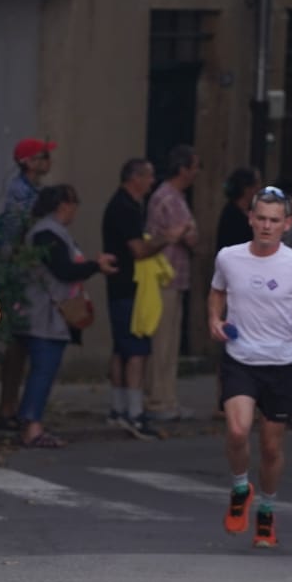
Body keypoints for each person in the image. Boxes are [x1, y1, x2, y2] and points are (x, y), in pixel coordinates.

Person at [208, 187, 292, 549]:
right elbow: (217, 291)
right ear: (250, 219)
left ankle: (266, 511)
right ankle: (240, 489)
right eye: (261, 218)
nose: (266, 226)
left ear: (287, 224)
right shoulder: (229, 257)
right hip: (240, 359)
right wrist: (214, 319)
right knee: (237, 431)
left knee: (269, 446)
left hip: (281, 364)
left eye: (274, 220)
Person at [17, 184, 119, 449]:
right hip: (46, 313)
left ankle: (32, 422)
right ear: (65, 205)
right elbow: (63, 270)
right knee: (43, 369)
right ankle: (31, 426)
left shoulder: (51, 232)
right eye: (75, 204)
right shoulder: (47, 234)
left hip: (50, 312)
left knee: (44, 369)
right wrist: (96, 266)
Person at [101, 157, 175, 439]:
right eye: (149, 176)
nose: (152, 182)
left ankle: (118, 409)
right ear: (135, 178)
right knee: (136, 351)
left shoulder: (126, 205)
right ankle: (134, 413)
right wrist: (166, 238)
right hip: (130, 288)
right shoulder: (125, 208)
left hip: (121, 286)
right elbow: (139, 250)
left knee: (122, 348)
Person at [0, 138, 55, 431]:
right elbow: (10, 237)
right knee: (15, 344)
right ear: (29, 162)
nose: (48, 161)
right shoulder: (20, 193)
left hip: (24, 274)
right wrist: (9, 274)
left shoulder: (33, 191)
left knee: (19, 343)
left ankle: (12, 407)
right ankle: (7, 408)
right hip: (17, 276)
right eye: (43, 156)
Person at [144, 144, 201, 421]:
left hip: (176, 274)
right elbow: (187, 235)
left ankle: (167, 397)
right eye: (194, 166)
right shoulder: (167, 198)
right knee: (163, 341)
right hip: (165, 274)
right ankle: (157, 398)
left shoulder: (176, 197)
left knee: (171, 340)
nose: (196, 172)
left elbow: (191, 234)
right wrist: (186, 233)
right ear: (183, 169)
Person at [214, 167, 258, 252]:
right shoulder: (231, 214)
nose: (259, 188)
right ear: (247, 188)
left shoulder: (252, 211)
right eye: (256, 184)